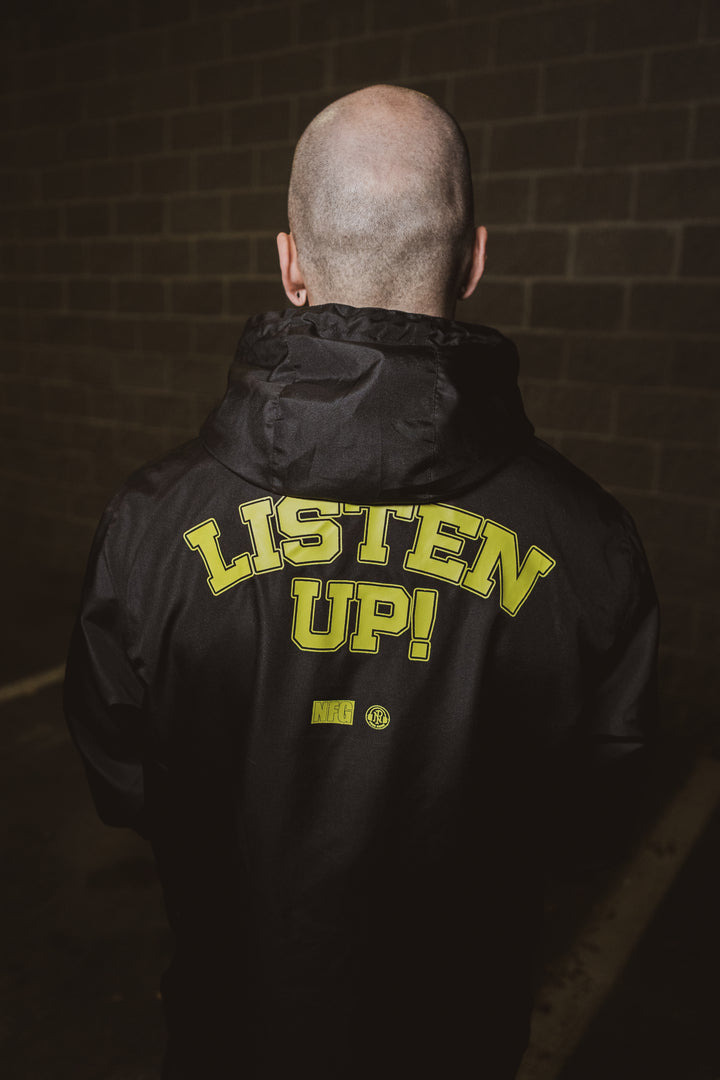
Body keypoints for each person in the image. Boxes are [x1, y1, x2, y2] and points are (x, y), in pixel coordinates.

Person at [64, 85, 659, 1079]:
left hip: (231, 1027)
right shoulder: (588, 541)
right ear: (473, 259)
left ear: (290, 265)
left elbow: (123, 781)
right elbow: (595, 814)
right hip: (457, 1038)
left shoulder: (148, 526)